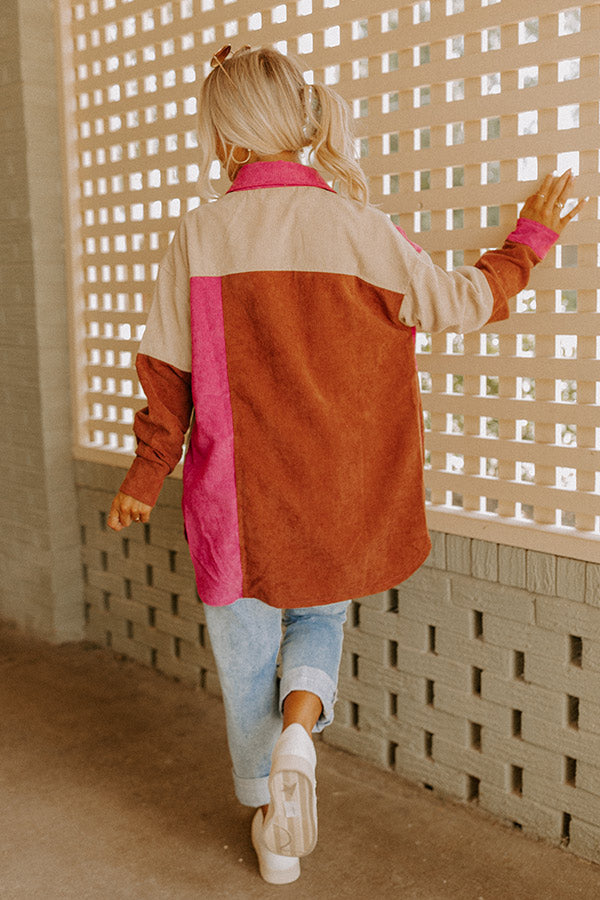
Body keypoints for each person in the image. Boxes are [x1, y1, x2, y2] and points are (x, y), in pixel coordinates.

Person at [108, 45, 586, 885]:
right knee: (319, 624)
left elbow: (166, 370)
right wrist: (529, 240)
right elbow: (462, 304)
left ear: (228, 138)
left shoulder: (202, 233)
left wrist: (146, 476)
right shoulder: (362, 229)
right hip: (336, 499)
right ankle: (300, 732)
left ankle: (272, 829)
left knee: (246, 666)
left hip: (237, 507)